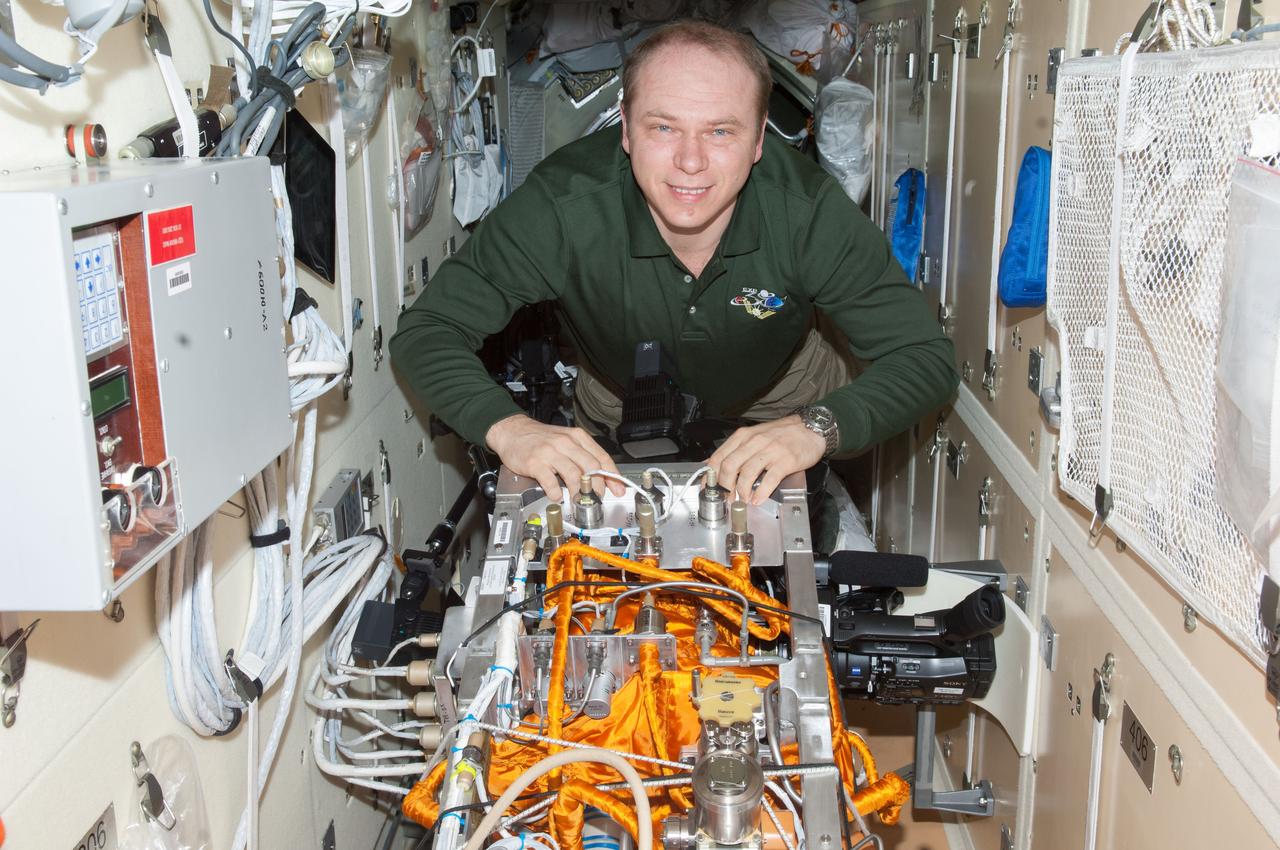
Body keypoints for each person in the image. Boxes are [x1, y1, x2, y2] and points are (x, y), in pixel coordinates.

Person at [389, 20, 957, 505]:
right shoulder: (562, 206)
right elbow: (428, 331)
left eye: (720, 131)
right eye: (663, 127)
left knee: (813, 530)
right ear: (626, 129)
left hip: (784, 395)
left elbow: (925, 359)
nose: (691, 161)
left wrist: (815, 429)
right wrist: (511, 430)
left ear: (759, 139)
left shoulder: (807, 214)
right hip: (619, 401)